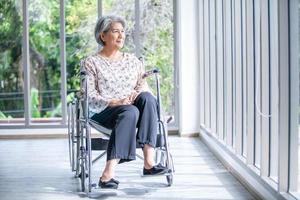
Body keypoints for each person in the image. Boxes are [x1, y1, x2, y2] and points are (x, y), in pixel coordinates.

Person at [80, 15, 168, 189]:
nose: (121, 36)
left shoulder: (132, 61)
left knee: (148, 99)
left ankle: (149, 162)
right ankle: (107, 175)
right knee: (130, 111)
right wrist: (116, 101)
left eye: (123, 32)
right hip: (104, 110)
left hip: (129, 107)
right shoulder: (91, 63)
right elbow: (90, 96)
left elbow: (142, 86)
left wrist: (135, 96)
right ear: (102, 36)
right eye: (115, 31)